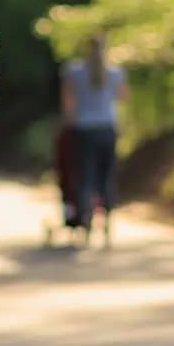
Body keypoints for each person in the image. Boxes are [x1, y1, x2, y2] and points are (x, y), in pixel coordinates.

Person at [60, 33, 128, 236]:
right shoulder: (115, 72)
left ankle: (86, 214)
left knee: (85, 175)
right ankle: (107, 216)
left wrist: (69, 122)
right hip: (107, 128)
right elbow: (123, 98)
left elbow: (68, 104)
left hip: (84, 130)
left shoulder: (74, 71)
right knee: (106, 174)